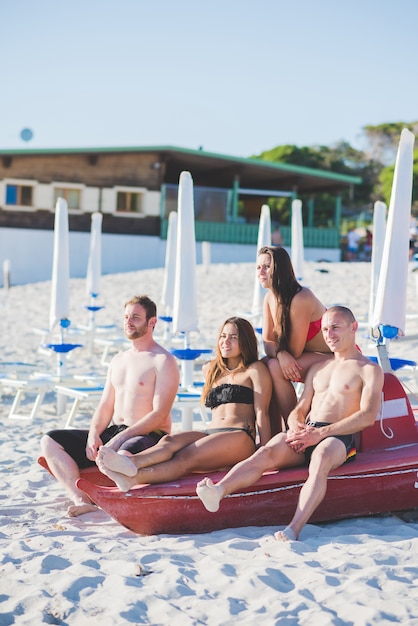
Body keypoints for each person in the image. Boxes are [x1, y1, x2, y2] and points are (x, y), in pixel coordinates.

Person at [196, 306, 384, 541]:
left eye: (335, 327)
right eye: (325, 329)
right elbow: (301, 408)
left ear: (353, 327)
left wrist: (320, 434)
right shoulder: (318, 368)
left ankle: (293, 528)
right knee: (267, 452)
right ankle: (218, 491)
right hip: (307, 431)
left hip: (339, 437)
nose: (329, 334)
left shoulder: (369, 370)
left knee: (322, 458)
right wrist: (295, 424)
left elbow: (367, 416)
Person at [40, 295, 180, 517]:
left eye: (135, 317)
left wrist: (120, 439)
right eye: (126, 317)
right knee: (50, 441)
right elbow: (106, 405)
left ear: (152, 322)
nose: (129, 322)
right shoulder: (118, 360)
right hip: (115, 432)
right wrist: (94, 434)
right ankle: (81, 499)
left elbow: (159, 413)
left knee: (121, 455)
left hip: (148, 434)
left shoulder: (163, 361)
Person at [95, 317, 272, 491]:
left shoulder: (254, 370)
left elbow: (262, 412)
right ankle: (130, 463)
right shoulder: (211, 370)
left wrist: (263, 452)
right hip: (211, 432)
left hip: (239, 435)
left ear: (245, 341)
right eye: (223, 336)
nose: (226, 341)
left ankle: (135, 478)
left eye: (233, 337)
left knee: (186, 456)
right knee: (169, 440)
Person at [257, 245, 332, 434]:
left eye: (266, 267)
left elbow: (295, 352)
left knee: (274, 366)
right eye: (258, 267)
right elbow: (267, 341)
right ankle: (273, 432)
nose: (261, 272)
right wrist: (280, 353)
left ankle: (293, 426)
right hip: (310, 356)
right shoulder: (269, 298)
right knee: (263, 365)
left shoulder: (301, 298)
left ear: (279, 269)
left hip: (334, 357)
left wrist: (280, 353)